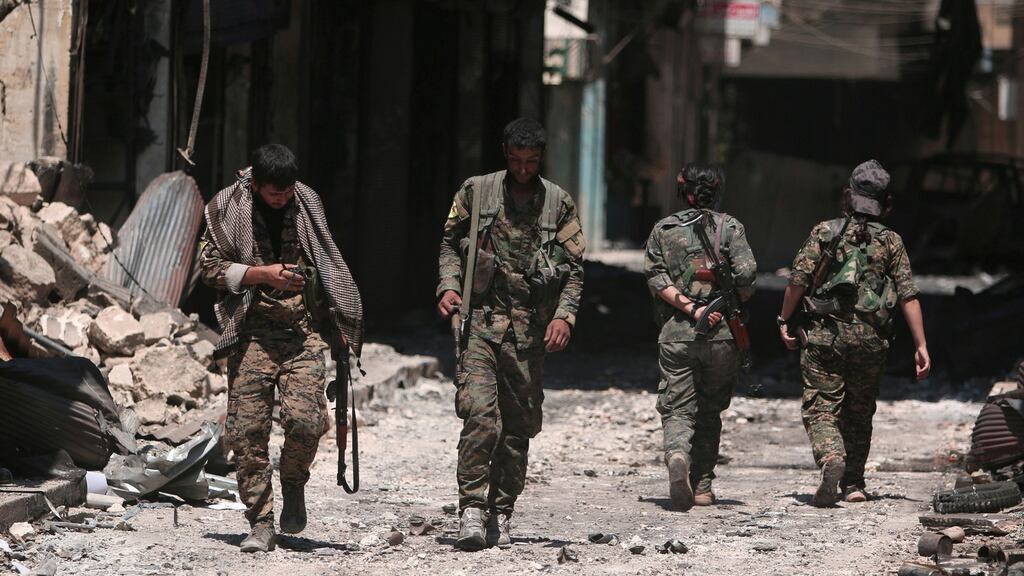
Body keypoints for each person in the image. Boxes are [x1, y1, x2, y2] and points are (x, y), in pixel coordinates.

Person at [199, 144, 364, 552]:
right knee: (247, 432)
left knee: (308, 422)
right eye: (274, 192)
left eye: (287, 191)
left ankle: (293, 482)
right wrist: (260, 274)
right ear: (255, 183)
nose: (282, 199)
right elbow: (209, 269)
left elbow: (327, 263)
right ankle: (260, 522)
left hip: (302, 330)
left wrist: (339, 323)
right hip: (252, 332)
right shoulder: (227, 206)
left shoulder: (307, 202)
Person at [436, 118, 586, 550]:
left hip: (530, 333)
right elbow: (449, 242)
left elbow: (575, 270)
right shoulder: (476, 192)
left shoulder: (558, 203)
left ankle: (502, 510)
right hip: (480, 324)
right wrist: (448, 286)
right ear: (505, 153)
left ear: (541, 159)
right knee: (480, 417)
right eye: (516, 160)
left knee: (517, 430)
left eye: (531, 161)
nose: (523, 169)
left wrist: (565, 317)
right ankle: (471, 510)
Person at [777, 159, 931, 507]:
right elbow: (908, 294)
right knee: (860, 411)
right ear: (884, 202)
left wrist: (783, 319)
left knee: (821, 407)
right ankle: (854, 484)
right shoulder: (891, 241)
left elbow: (797, 281)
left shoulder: (825, 232)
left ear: (848, 195)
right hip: (872, 341)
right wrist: (920, 344)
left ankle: (832, 456)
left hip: (824, 337)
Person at [642, 163, 757, 511]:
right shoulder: (731, 228)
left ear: (682, 191)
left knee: (677, 408)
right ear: (717, 191)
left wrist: (691, 309)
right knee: (710, 410)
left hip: (677, 334)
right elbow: (748, 274)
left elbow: (655, 278)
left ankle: (678, 455)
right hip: (722, 335)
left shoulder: (663, 230)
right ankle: (704, 486)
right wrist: (728, 296)